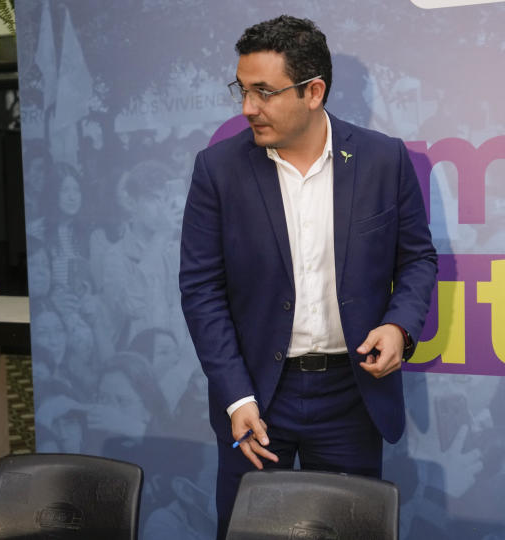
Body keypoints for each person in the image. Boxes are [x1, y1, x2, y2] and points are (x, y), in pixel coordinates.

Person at [178, 15, 438, 538]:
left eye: (264, 92)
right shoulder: (217, 170)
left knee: (349, 529)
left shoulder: (384, 159)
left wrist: (400, 326)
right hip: (256, 400)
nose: (248, 107)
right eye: (242, 90)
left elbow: (417, 259)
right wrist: (237, 397)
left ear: (313, 90)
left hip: (352, 394)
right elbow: (201, 290)